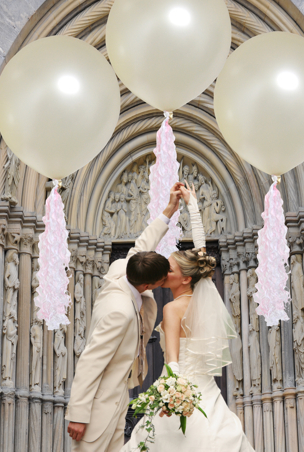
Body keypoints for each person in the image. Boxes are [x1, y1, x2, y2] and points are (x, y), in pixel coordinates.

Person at [122, 181, 254, 452]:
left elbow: (172, 363)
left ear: (184, 278)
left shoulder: (172, 309)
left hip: (181, 392)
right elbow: (201, 250)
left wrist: (172, 397)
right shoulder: (201, 295)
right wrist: (192, 205)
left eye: (169, 269)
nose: (164, 272)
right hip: (206, 391)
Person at [66, 183, 183, 452]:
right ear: (149, 286)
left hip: (121, 391)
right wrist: (79, 415)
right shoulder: (118, 312)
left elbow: (142, 245)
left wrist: (168, 210)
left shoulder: (123, 268)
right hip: (101, 403)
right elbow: (91, 361)